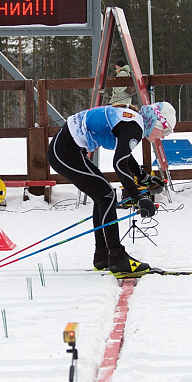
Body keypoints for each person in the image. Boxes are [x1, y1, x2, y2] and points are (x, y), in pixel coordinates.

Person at [47, 101, 175, 275]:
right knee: (106, 196)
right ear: (157, 122)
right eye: (165, 131)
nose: (163, 136)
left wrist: (143, 177)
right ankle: (116, 256)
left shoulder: (133, 122)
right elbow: (120, 163)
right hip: (65, 152)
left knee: (104, 196)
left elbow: (124, 155)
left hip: (69, 150)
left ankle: (103, 256)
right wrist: (138, 198)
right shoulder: (134, 126)